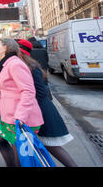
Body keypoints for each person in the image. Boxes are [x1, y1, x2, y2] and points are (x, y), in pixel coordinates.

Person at [16, 39, 78, 167]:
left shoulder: (27, 67)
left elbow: (36, 92)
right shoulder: (31, 65)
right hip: (41, 108)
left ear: (20, 53)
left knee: (52, 146)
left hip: (42, 111)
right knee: (42, 145)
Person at [0, 38, 44, 167]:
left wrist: (20, 116)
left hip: (19, 117)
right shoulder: (7, 63)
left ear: (5, 47)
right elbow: (8, 83)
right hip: (8, 115)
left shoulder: (15, 64)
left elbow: (28, 91)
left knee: (21, 157)